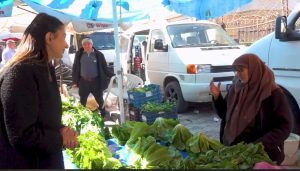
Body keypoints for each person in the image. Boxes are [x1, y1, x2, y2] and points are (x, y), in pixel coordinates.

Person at [0, 13, 78, 169]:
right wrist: (60, 138)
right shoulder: (21, 73)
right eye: (63, 37)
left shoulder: (45, 68)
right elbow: (22, 136)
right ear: (49, 38)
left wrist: (60, 129)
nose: (66, 45)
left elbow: (41, 118)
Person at [210, 53, 292, 165]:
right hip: (235, 152)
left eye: (241, 70)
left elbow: (284, 126)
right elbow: (225, 114)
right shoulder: (236, 89)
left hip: (260, 155)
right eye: (236, 70)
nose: (237, 74)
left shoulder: (272, 93)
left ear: (254, 69)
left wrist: (259, 146)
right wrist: (217, 97)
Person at [72, 37, 114, 117]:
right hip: (83, 82)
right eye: (84, 44)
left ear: (92, 45)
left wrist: (114, 75)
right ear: (82, 45)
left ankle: (103, 115)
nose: (86, 46)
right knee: (82, 100)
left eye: (88, 44)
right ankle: (82, 116)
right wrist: (75, 81)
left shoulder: (99, 55)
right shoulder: (79, 54)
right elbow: (75, 67)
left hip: (95, 82)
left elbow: (105, 68)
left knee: (100, 100)